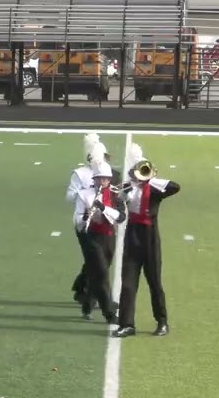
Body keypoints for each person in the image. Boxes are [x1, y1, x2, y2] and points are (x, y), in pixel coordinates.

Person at [113, 142, 180, 338]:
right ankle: (126, 324)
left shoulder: (156, 189)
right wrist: (123, 193)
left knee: (154, 281)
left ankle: (162, 321)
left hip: (150, 235)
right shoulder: (128, 187)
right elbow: (118, 201)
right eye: (137, 171)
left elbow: (175, 187)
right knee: (128, 282)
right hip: (133, 234)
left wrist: (151, 180)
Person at [73, 160, 123, 323]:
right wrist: (87, 217)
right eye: (98, 178)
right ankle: (109, 313)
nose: (102, 182)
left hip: (108, 237)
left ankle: (87, 305)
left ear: (109, 180)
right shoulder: (84, 194)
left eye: (105, 179)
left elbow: (121, 217)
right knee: (101, 272)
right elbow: (78, 221)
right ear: (94, 179)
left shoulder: (115, 195)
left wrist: (103, 208)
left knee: (98, 273)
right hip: (91, 238)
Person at [68, 133, 108, 306]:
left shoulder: (108, 174)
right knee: (95, 260)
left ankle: (81, 287)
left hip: (103, 222)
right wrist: (86, 193)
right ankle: (92, 298)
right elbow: (69, 197)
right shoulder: (80, 174)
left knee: (99, 259)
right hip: (84, 222)